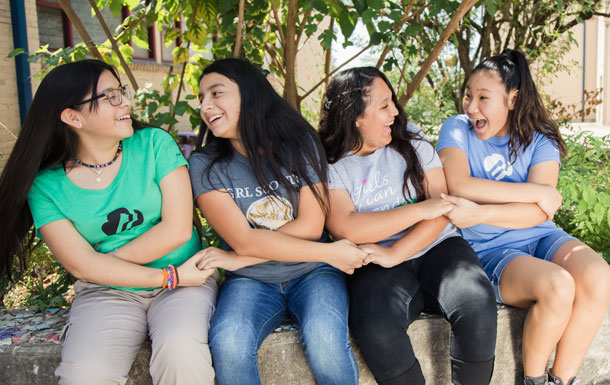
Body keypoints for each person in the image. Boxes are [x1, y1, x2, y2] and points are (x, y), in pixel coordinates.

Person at [0, 60, 218, 385]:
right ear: (73, 117)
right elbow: (82, 268)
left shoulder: (154, 144)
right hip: (111, 293)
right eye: (111, 97)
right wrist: (163, 276)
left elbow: (177, 230)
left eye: (122, 93)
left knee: (182, 353)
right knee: (85, 374)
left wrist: (104, 263)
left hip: (185, 283)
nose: (126, 103)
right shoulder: (47, 187)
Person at [437, 49, 610, 385]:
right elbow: (458, 183)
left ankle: (561, 380)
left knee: (600, 277)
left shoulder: (539, 136)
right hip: (491, 248)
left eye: (484, 98)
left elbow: (539, 212)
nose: (471, 107)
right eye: (468, 95)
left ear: (513, 99)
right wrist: (536, 191)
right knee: (558, 286)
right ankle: (531, 381)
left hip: (541, 235)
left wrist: (480, 211)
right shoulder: (456, 129)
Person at [189, 58, 366, 385]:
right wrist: (329, 253)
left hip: (312, 273)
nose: (205, 105)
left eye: (216, 93)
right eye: (201, 98)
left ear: (250, 94)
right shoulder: (206, 164)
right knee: (229, 342)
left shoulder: (299, 143)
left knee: (326, 338)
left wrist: (236, 258)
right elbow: (243, 238)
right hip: (253, 280)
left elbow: (311, 227)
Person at [318, 66, 497, 385]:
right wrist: (421, 209)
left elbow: (442, 210)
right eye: (384, 105)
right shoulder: (331, 162)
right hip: (374, 262)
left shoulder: (410, 138)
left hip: (437, 246)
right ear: (355, 116)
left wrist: (397, 250)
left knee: (476, 301)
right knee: (376, 327)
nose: (395, 111)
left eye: (393, 102)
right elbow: (348, 228)